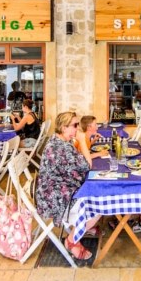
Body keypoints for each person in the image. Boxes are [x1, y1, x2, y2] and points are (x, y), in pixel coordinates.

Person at [35, 111, 100, 261]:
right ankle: (72, 240)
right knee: (98, 204)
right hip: (54, 197)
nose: (77, 129)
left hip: (55, 189)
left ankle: (83, 226)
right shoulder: (62, 147)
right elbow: (87, 165)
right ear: (64, 128)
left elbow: (78, 165)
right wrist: (83, 141)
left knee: (93, 191)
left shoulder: (60, 141)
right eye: (75, 125)